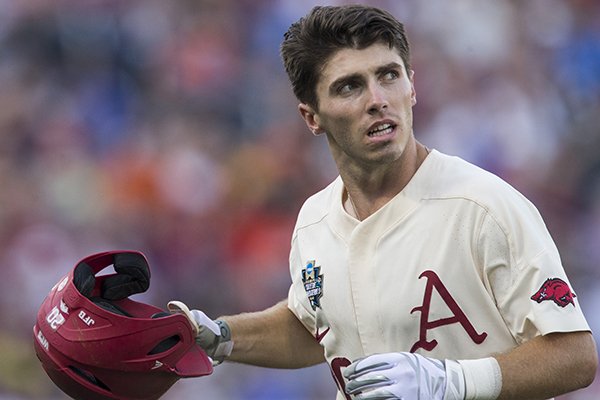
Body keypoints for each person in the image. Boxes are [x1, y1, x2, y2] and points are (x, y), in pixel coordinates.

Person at [170, 5, 597, 400]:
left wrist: (451, 381)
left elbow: (576, 355)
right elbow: (316, 326)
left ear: (412, 87)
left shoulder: (484, 207)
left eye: (389, 75)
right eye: (349, 86)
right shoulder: (315, 221)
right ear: (312, 117)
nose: (377, 99)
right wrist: (224, 335)